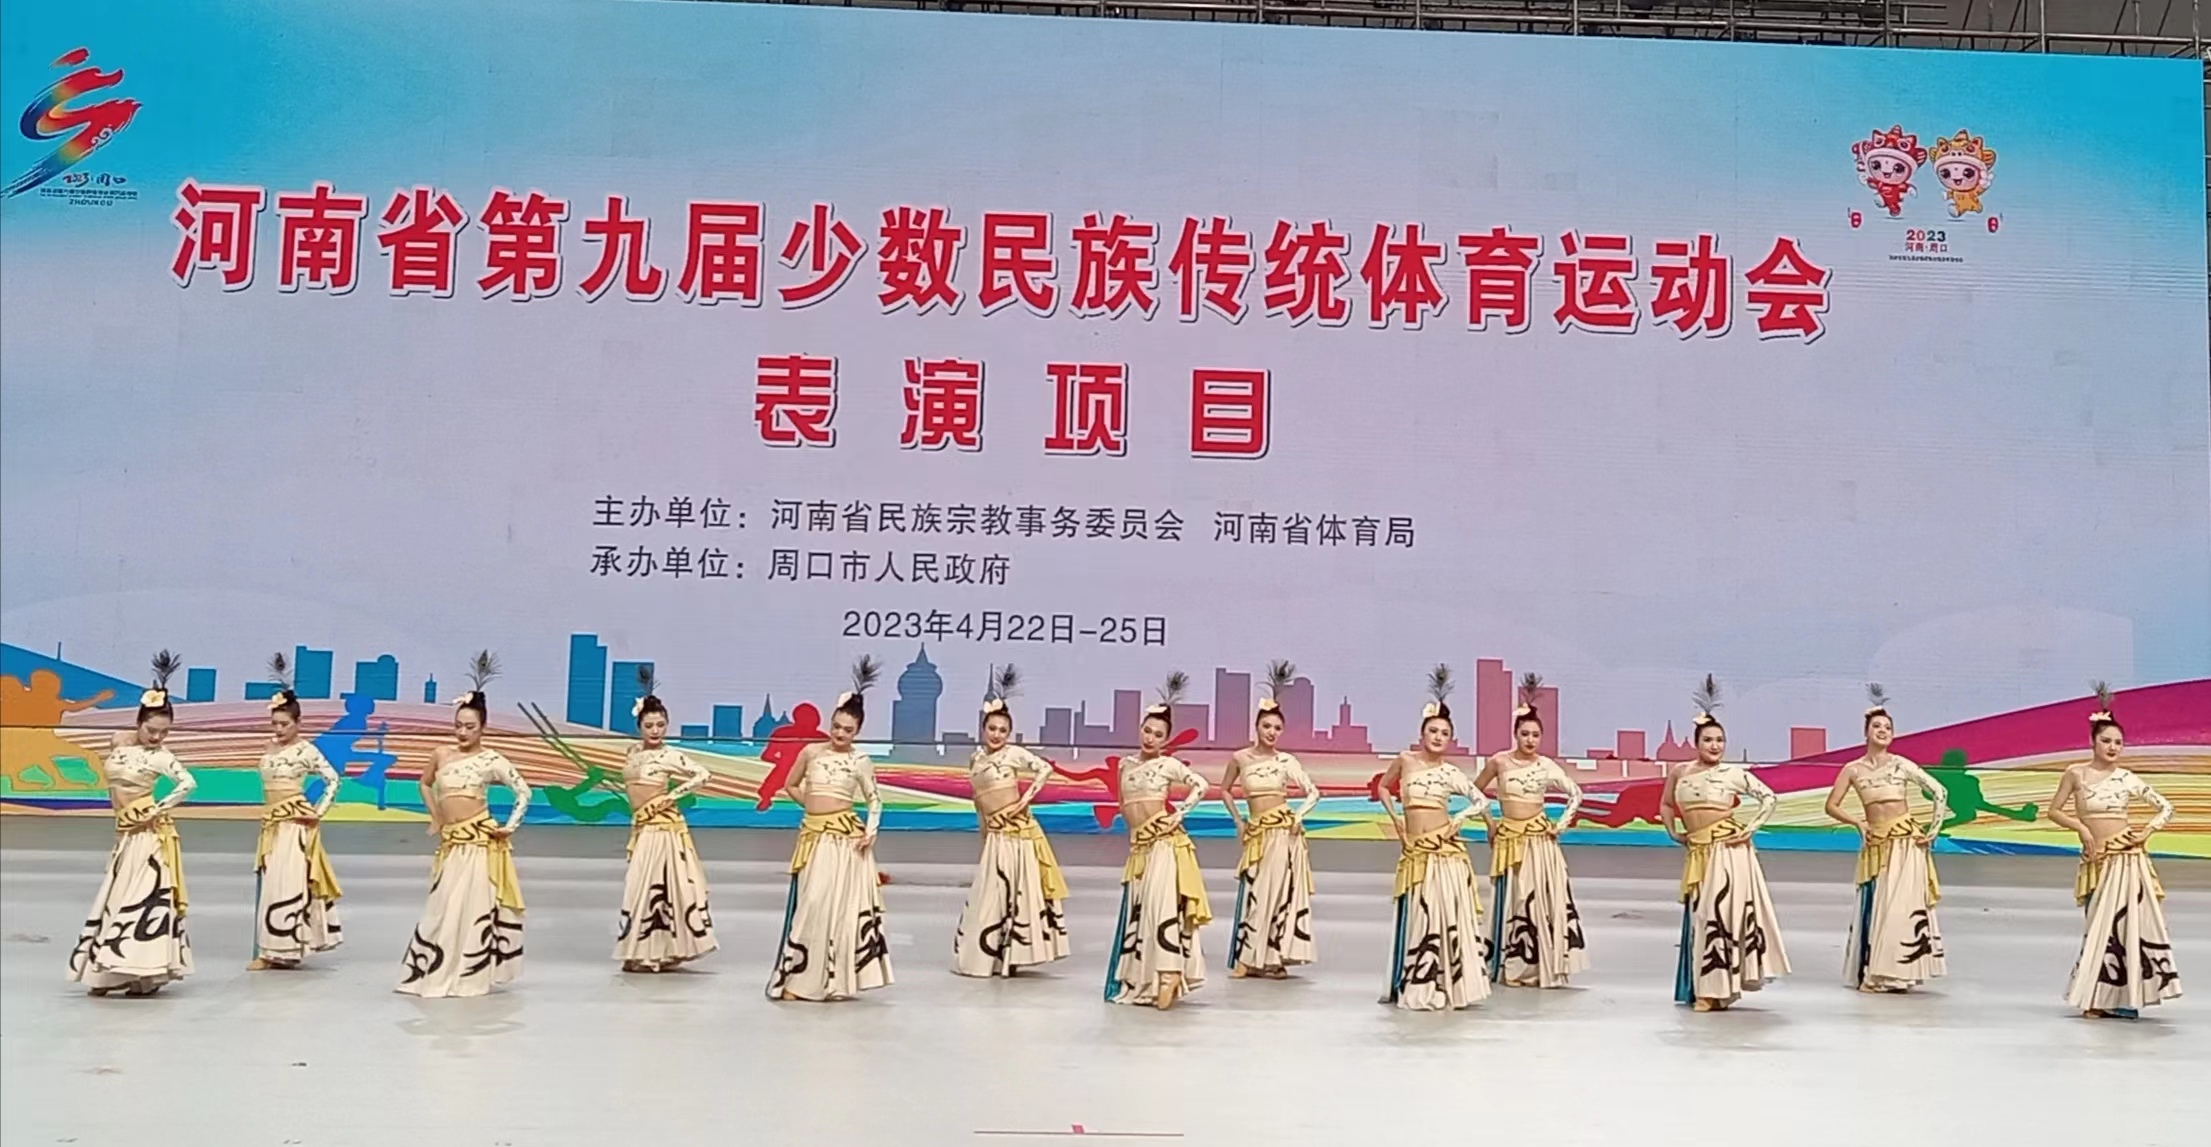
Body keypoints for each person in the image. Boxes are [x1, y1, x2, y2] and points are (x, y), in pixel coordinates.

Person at [396, 652, 529, 998]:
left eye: (470, 726)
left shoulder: (491, 759)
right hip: (452, 843)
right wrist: (436, 815)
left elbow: (523, 791)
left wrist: (509, 826)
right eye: (458, 725)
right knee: (441, 907)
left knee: (471, 909)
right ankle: (432, 969)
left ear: (483, 727)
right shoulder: (442, 754)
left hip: (479, 844)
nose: (462, 732)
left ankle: (467, 974)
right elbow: (424, 783)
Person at [2049, 683, 2182, 1018]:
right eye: (2106, 741)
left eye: (2118, 743)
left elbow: (2165, 807)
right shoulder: (2075, 773)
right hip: (2097, 859)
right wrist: (2081, 829)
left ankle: (2123, 999)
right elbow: (2054, 810)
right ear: (2092, 742)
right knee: (2098, 928)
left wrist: (2146, 833)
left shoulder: (2126, 778)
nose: (2113, 747)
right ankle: (2096, 996)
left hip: (2126, 859)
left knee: (2127, 928)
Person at [69, 652, 196, 996]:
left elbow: (188, 784)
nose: (157, 737)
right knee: (118, 899)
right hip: (125, 833)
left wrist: (156, 810)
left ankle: (143, 974)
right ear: (139, 722)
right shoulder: (117, 741)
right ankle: (110, 973)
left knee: (139, 902)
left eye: (164, 732)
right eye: (151, 730)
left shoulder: (162, 756)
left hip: (149, 836)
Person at [1660, 675, 1789, 1011]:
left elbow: (1769, 798)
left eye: (1720, 740)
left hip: (1728, 852)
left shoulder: (1733, 773)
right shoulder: (1679, 772)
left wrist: (1749, 829)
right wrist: (1672, 831)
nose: (1715, 746)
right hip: (1698, 850)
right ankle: (1708, 988)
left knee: (1718, 916)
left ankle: (1714, 990)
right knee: (1700, 917)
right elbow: (1666, 804)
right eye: (1708, 740)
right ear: (1696, 742)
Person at [768, 657, 893, 1001]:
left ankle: (831, 981)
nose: (839, 734)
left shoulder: (860, 761)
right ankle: (798, 980)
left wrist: (870, 831)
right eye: (836, 726)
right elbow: (791, 785)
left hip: (844, 842)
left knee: (836, 909)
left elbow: (875, 799)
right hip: (814, 837)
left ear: (858, 732)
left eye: (847, 730)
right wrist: (813, 809)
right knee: (811, 904)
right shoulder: (811, 752)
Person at [1376, 665, 1492, 1011]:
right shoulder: (1405, 760)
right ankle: (1416, 979)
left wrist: (1459, 819)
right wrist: (1396, 819)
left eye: (1445, 733)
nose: (1438, 737)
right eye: (1433, 731)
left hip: (1444, 851)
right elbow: (1383, 787)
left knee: (1443, 917)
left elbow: (1481, 800)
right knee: (1419, 915)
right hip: (1415, 850)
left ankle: (1444, 983)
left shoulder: (1450, 772)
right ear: (1421, 732)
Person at [1822, 684, 1947, 992]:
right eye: (1877, 726)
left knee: (1899, 909)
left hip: (1905, 842)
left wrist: (1933, 830)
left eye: (1888, 727)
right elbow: (1831, 805)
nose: (1883, 731)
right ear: (1865, 732)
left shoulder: (1901, 764)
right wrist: (1857, 823)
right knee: (1878, 907)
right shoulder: (1852, 769)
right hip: (1876, 842)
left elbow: (1939, 792)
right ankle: (1877, 970)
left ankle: (1895, 973)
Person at [953, 664, 1070, 977]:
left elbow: (1045, 769)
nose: (996, 735)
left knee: (1018, 894)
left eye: (1002, 730)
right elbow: (979, 801)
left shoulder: (1014, 754)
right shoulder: (976, 759)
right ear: (983, 728)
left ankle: (1014, 954)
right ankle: (990, 954)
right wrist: (983, 834)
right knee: (991, 894)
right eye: (992, 729)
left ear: (1009, 733)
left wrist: (1023, 801)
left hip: (1018, 834)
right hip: (994, 835)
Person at [1471, 673, 1587, 988]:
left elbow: (1575, 793)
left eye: (1536, 735)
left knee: (1537, 901)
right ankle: (1510, 965)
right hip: (1510, 838)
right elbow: (1475, 792)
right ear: (1515, 734)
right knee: (1514, 901)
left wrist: (1559, 826)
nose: (1530, 740)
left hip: (1538, 841)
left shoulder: (1546, 765)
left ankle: (1537, 967)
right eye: (1525, 734)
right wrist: (1490, 823)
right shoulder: (1499, 762)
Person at [1105, 672, 1211, 1009]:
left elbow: (1201, 785)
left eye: (1158, 735)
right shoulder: (1125, 765)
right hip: (1140, 848)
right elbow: (1124, 805)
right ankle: (1147, 977)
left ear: (1166, 740)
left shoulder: (1168, 764)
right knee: (1143, 914)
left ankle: (1169, 974)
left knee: (1160, 909)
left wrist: (1178, 815)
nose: (1150, 738)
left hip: (1165, 844)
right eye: (1147, 731)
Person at [1220, 660, 1319, 979]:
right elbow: (1224, 790)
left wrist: (1298, 817)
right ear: (1256, 727)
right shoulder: (1240, 758)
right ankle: (1251, 956)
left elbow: (1313, 792)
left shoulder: (1286, 761)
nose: (1272, 732)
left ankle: (1270, 958)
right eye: (1267, 726)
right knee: (1255, 891)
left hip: (1282, 833)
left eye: (1277, 728)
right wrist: (1238, 821)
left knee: (1275, 894)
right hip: (1256, 833)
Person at [615, 666, 717, 972]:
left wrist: (669, 798)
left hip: (663, 829)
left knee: (660, 888)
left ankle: (658, 953)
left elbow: (703, 774)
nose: (656, 730)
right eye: (649, 725)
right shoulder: (632, 752)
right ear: (639, 726)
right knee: (640, 887)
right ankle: (640, 951)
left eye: (661, 725)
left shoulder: (670, 755)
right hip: (642, 827)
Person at [249, 652, 344, 970]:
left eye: (285, 724)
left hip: (294, 823)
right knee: (270, 884)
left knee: (288, 883)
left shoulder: (306, 750)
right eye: (275, 723)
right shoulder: (267, 747)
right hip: (272, 823)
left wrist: (318, 812)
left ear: (298, 723)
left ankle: (284, 948)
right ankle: (270, 948)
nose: (278, 729)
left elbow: (333, 780)